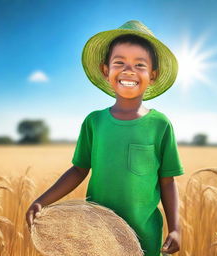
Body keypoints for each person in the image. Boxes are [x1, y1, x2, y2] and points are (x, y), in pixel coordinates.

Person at [26, 20, 184, 256]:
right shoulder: (94, 122)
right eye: (119, 62)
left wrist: (176, 229)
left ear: (153, 75)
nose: (128, 70)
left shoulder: (160, 124)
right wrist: (42, 200)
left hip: (146, 237)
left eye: (139, 64)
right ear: (105, 70)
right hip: (98, 235)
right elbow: (78, 170)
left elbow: (167, 182)